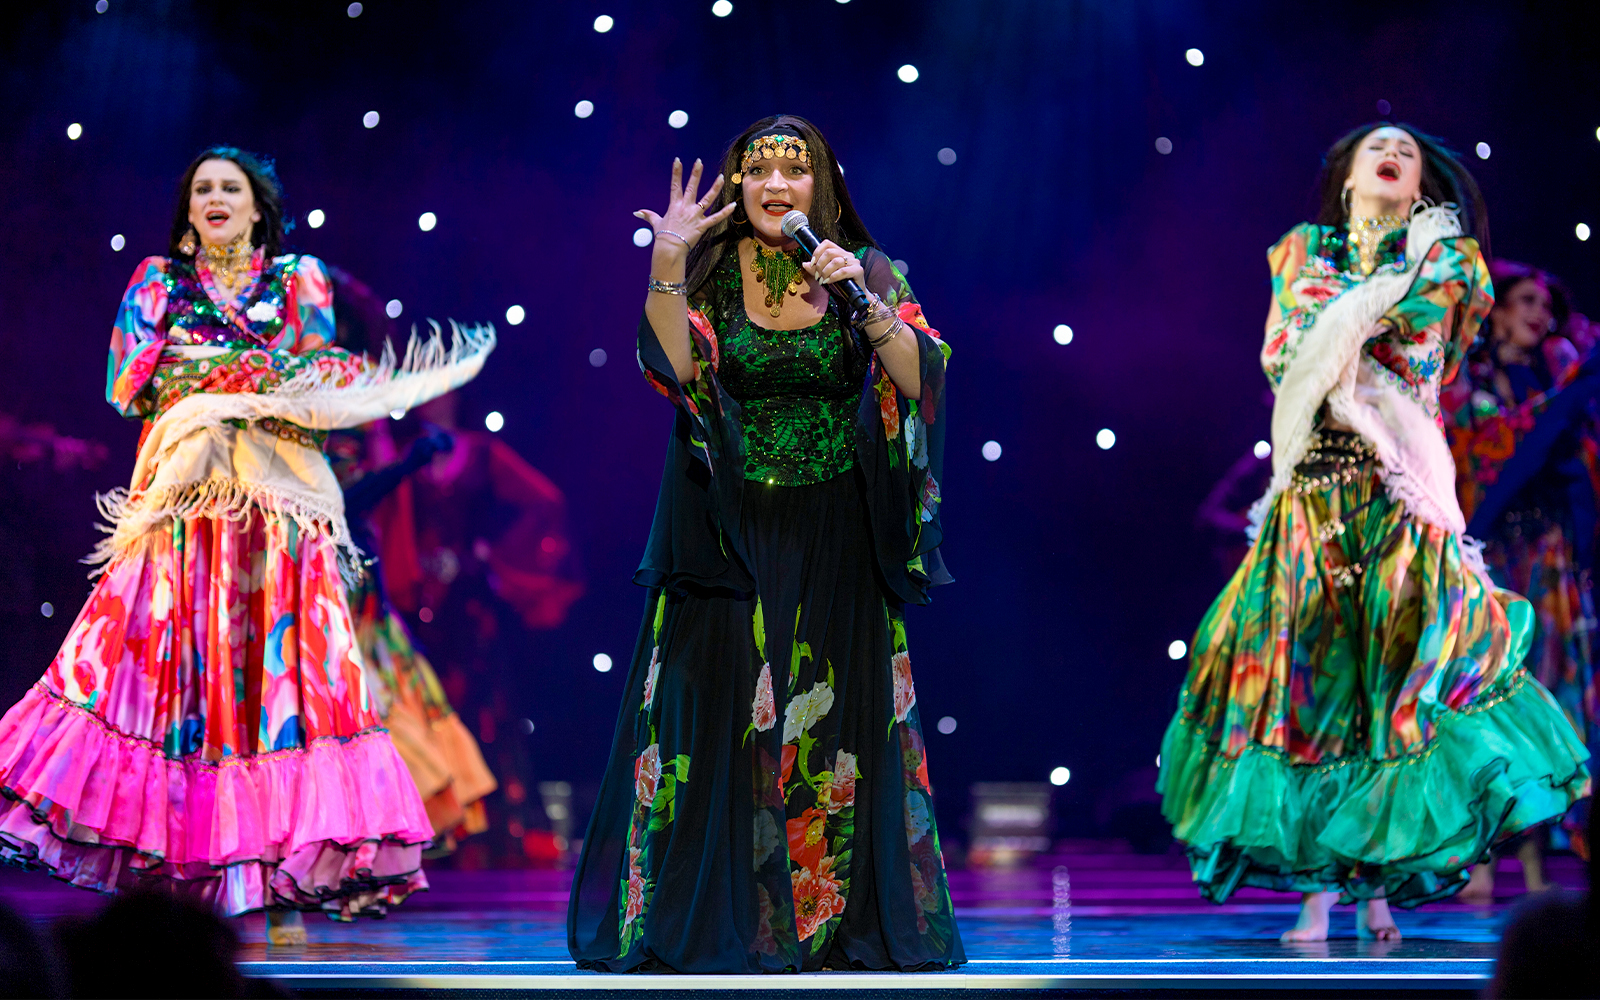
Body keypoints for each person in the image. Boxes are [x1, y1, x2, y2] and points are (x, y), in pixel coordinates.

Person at [0, 147, 493, 943]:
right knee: (177, 683)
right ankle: (186, 872)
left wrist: (215, 375)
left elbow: (319, 377)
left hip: (277, 512)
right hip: (188, 507)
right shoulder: (158, 282)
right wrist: (253, 376)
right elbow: (128, 386)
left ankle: (271, 868)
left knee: (276, 691)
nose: (216, 198)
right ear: (189, 211)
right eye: (202, 189)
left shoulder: (299, 279)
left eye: (230, 187)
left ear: (258, 207)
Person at [1157, 123, 1591, 942]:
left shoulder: (1451, 261)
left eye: (1408, 152)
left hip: (1400, 496)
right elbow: (1287, 355)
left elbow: (1416, 344)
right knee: (1308, 691)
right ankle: (1319, 895)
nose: (1392, 154)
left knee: (1392, 692)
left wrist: (1354, 315)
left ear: (1420, 185)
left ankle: (1378, 889)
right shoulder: (1301, 250)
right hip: (1311, 501)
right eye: (1376, 148)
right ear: (1349, 177)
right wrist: (1367, 309)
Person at [567, 115, 964, 973]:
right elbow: (672, 370)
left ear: (823, 186)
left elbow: (920, 379)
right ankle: (725, 920)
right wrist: (668, 259)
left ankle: (828, 923)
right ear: (739, 185)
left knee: (832, 731)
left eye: (794, 169)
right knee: (718, 726)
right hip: (728, 534)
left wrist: (862, 300)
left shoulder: (867, 267)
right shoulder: (710, 272)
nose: (775, 184)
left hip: (837, 540)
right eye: (757, 171)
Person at [1443, 261, 1600, 898]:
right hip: (1488, 557)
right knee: (1486, 700)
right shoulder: (1468, 380)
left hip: (1547, 558)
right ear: (1498, 310)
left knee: (1550, 701)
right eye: (1527, 301)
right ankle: (1481, 857)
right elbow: (1474, 454)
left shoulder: (1560, 380)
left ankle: (1538, 865)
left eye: (1548, 306)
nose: (1541, 314)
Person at [330, 422, 498, 850]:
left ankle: (398, 831)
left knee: (394, 696)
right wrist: (405, 465)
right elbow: (342, 502)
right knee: (369, 704)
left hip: (366, 594)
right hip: (337, 588)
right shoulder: (323, 440)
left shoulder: (360, 435)